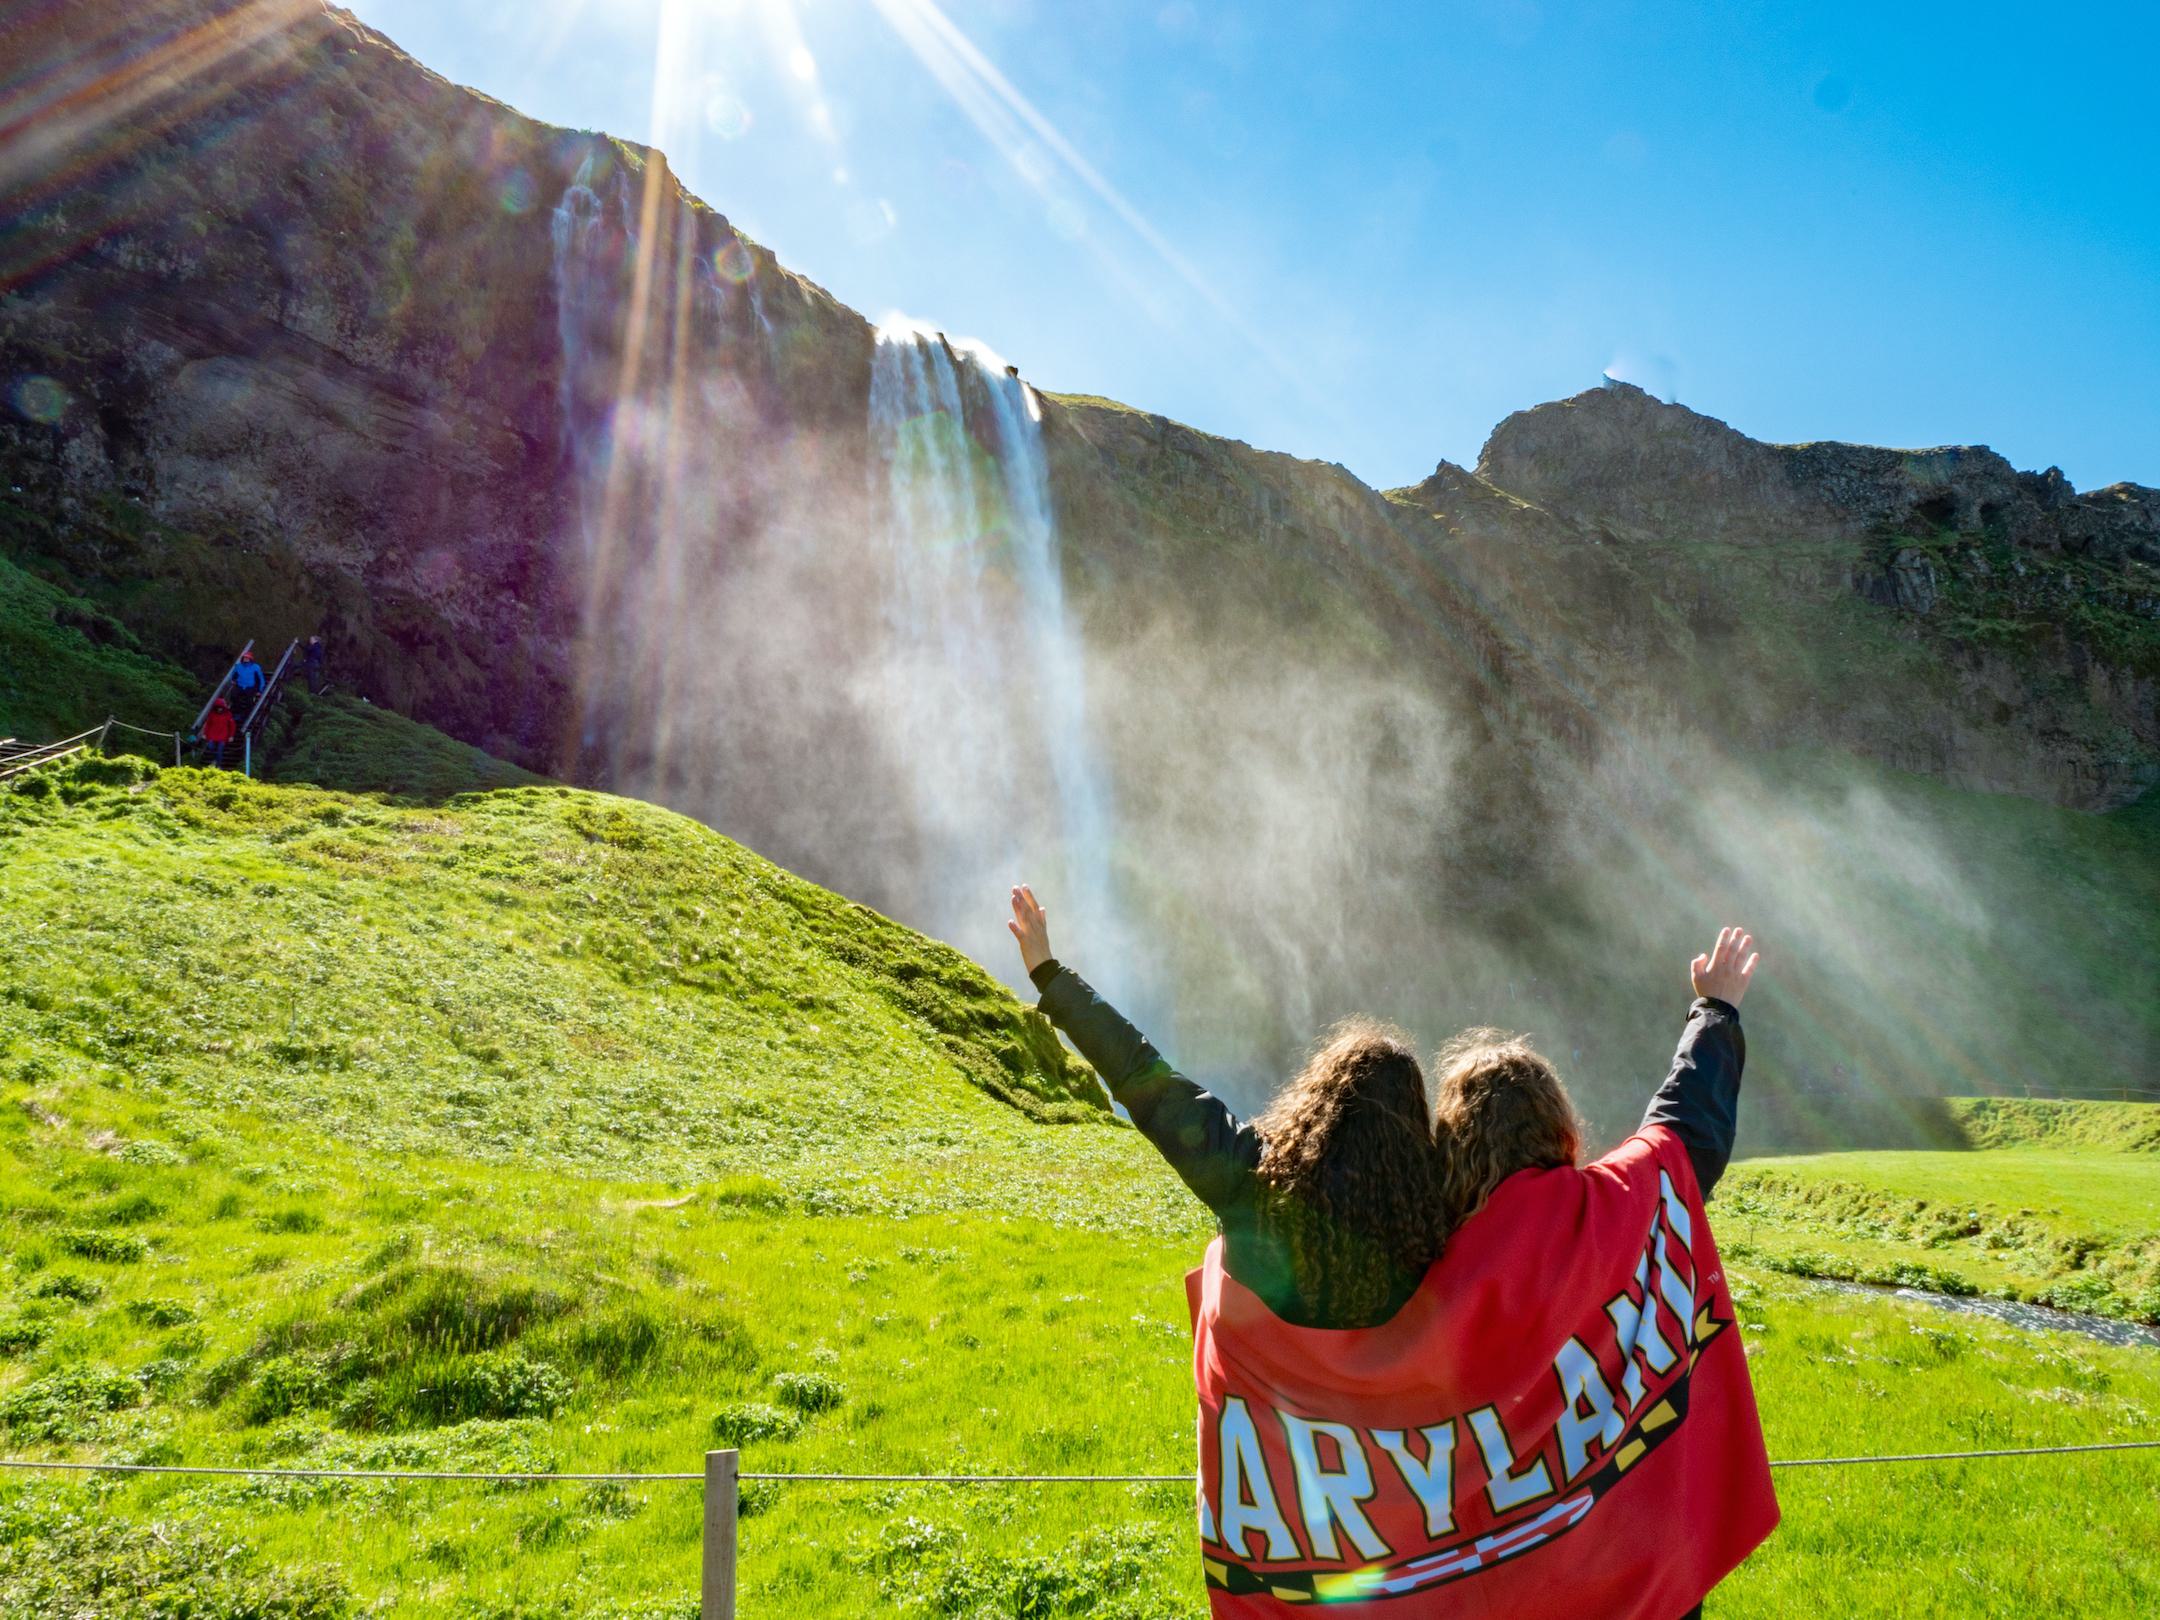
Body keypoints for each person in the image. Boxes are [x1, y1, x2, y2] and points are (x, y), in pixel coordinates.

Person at [1007, 886, 1776, 1619]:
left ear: (1312, 1105)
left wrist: (1051, 975)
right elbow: (1686, 1130)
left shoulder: (1260, 1192)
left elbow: (1149, 1084)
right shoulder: (1464, 1250)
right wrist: (1715, 1009)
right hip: (1626, 1575)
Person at [199, 697, 236, 769]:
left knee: (220, 750)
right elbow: (208, 725)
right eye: (218, 707)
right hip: (211, 735)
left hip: (222, 736)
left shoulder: (228, 714)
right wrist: (204, 734)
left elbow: (232, 726)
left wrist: (231, 736)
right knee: (211, 748)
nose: (220, 709)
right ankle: (213, 761)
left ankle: (218, 765)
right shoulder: (212, 714)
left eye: (221, 708)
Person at [230, 648, 266, 713]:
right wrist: (233, 680)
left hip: (250, 687)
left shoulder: (256, 667)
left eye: (247, 658)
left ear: (250, 659)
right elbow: (233, 675)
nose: (246, 659)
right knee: (233, 696)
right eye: (244, 658)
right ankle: (236, 711)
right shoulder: (238, 666)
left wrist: (260, 690)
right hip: (240, 685)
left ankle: (247, 714)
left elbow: (261, 679)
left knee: (249, 701)